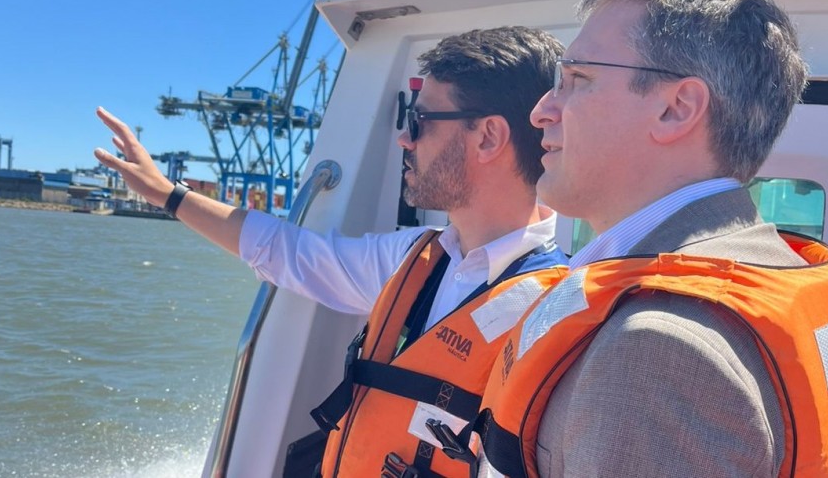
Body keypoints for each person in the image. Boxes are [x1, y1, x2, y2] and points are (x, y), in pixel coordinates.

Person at [94, 26, 568, 477]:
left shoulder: (553, 314)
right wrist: (166, 194)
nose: (403, 138)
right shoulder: (412, 261)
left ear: (487, 137)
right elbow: (283, 250)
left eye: (418, 121)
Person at [461, 0, 828, 478]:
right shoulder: (772, 265)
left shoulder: (652, 352)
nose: (542, 111)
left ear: (677, 109)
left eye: (576, 79)